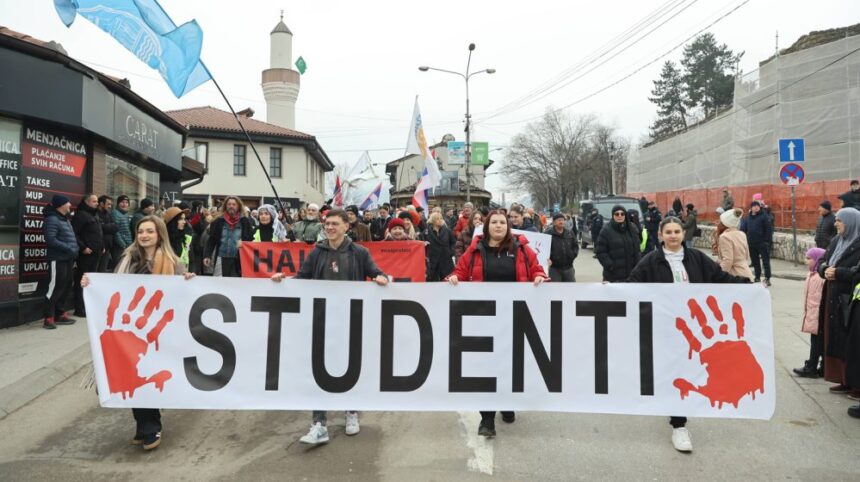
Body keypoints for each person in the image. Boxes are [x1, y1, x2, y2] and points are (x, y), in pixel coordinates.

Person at [627, 216, 751, 452]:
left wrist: (748, 286)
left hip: (695, 330)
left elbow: (720, 278)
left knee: (688, 370)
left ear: (683, 234)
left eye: (677, 231)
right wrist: (610, 290)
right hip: (665, 328)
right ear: (660, 235)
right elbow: (632, 285)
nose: (673, 236)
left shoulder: (696, 258)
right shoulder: (651, 261)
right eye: (668, 232)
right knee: (673, 371)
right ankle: (678, 424)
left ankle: (679, 415)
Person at [270, 209, 389, 445]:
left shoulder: (359, 253)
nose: (330, 227)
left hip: (351, 319)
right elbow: (302, 278)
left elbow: (377, 273)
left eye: (335, 223)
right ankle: (319, 423)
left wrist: (381, 278)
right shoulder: (318, 252)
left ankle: (351, 411)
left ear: (346, 226)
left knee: (350, 367)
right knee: (319, 370)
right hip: (322, 319)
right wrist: (284, 282)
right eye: (327, 224)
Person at [81, 215, 196, 451]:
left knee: (147, 376)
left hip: (159, 333)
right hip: (131, 331)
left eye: (150, 231)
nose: (144, 235)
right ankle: (146, 426)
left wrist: (188, 280)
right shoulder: (127, 260)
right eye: (141, 231)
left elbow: (182, 296)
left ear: (159, 234)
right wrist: (90, 283)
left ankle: (149, 427)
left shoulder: (173, 263)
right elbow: (112, 288)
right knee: (133, 375)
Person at [447, 210, 548, 437]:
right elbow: (460, 271)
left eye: (503, 222)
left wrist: (540, 276)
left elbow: (537, 269)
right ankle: (487, 418)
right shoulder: (475, 249)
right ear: (487, 226)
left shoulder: (522, 248)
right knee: (486, 368)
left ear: (508, 226)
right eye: (494, 222)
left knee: (510, 364)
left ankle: (507, 403)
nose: (499, 225)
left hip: (514, 317)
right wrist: (454, 278)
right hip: (484, 318)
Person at [816, 208, 860, 393]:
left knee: (850, 340)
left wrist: (839, 273)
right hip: (832, 295)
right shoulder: (836, 241)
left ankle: (854, 383)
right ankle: (842, 378)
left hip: (849, 298)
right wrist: (824, 270)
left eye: (839, 221)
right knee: (835, 337)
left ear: (850, 222)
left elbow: (856, 272)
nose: (835, 224)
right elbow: (822, 261)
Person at [42, 195, 78, 329]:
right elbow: (50, 239)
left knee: (66, 286)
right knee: (55, 287)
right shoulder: (52, 219)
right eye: (67, 202)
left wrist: (75, 249)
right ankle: (48, 318)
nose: (70, 205)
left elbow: (70, 238)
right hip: (57, 259)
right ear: (61, 205)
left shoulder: (64, 219)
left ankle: (59, 314)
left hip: (68, 258)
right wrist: (69, 248)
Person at [792, 248, 828, 378]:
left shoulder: (820, 277)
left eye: (809, 258)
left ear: (818, 260)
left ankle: (811, 367)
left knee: (817, 341)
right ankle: (823, 367)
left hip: (818, 315)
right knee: (819, 341)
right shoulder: (811, 274)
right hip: (812, 313)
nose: (805, 261)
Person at [203, 196, 254, 277]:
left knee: (236, 283)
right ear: (225, 206)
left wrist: (244, 243)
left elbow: (250, 240)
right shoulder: (218, 221)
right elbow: (212, 240)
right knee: (219, 282)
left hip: (238, 260)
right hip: (221, 257)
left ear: (238, 206)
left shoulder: (245, 221)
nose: (231, 206)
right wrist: (207, 255)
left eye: (234, 204)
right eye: (229, 204)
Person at [72, 193, 103, 317]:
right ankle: (79, 308)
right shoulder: (81, 215)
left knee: (90, 281)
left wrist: (102, 246)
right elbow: (74, 233)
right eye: (94, 201)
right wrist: (83, 247)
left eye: (97, 201)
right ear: (87, 202)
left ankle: (87, 306)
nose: (97, 203)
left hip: (96, 253)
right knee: (82, 281)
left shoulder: (94, 215)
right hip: (86, 254)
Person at [595, 205, 641, 283]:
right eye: (617, 214)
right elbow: (600, 251)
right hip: (614, 275)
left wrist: (639, 264)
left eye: (622, 214)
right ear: (613, 215)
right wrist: (610, 265)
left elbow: (637, 248)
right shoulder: (606, 230)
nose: (620, 216)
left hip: (632, 273)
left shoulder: (631, 228)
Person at [740, 201, 773, 286]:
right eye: (754, 206)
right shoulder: (748, 218)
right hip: (751, 243)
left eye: (757, 206)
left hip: (762, 243)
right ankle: (757, 277)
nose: (756, 207)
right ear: (751, 208)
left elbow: (769, 230)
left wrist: (767, 242)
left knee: (766, 261)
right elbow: (744, 229)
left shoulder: (764, 216)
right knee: (755, 262)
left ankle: (767, 278)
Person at [716, 208, 754, 280]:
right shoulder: (742, 234)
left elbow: (728, 260)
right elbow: (747, 256)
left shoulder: (725, 237)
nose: (718, 223)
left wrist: (719, 276)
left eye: (720, 221)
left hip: (735, 276)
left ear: (724, 223)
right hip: (746, 274)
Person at [545, 212, 578, 282]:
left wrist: (572, 255)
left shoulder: (570, 233)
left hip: (569, 268)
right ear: (554, 222)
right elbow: (543, 249)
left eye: (563, 220)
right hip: (554, 269)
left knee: (571, 287)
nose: (561, 222)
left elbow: (575, 246)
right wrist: (549, 259)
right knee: (555, 288)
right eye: (559, 220)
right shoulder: (548, 234)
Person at [424, 212, 456, 281]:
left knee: (447, 280)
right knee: (432, 281)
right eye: (437, 219)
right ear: (433, 220)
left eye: (441, 218)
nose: (440, 220)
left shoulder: (447, 230)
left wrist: (450, 252)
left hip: (446, 259)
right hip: (433, 260)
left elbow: (453, 242)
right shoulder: (426, 232)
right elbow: (423, 243)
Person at [95, 195, 117, 272]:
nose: (110, 206)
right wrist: (108, 226)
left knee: (102, 270)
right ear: (101, 204)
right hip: (98, 247)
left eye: (111, 204)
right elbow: (98, 228)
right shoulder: (95, 214)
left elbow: (116, 227)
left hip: (108, 247)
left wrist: (105, 226)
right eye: (108, 204)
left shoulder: (108, 214)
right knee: (95, 271)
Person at [112, 195, 133, 271]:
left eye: (126, 202)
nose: (124, 204)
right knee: (119, 268)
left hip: (127, 245)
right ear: (118, 204)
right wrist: (122, 244)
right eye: (122, 202)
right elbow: (116, 231)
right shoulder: (115, 213)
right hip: (120, 247)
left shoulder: (125, 214)